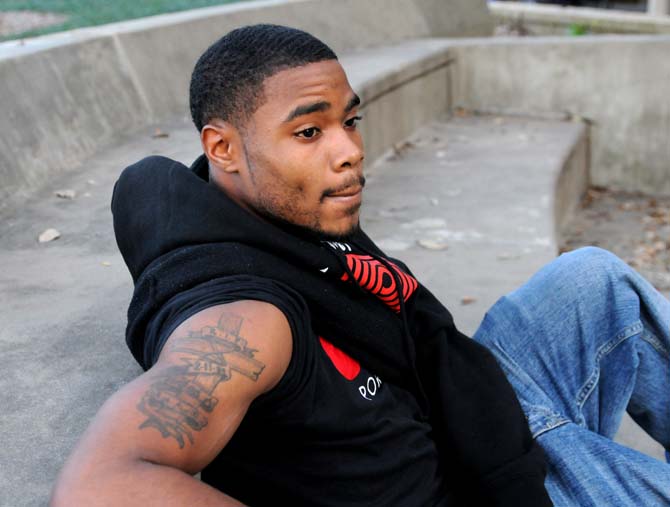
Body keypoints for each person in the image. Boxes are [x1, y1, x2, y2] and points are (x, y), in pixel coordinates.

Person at [50, 24, 670, 507]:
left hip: (463, 415)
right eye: (308, 133)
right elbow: (100, 484)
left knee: (591, 280)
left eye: (348, 120)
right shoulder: (246, 320)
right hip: (478, 486)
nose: (349, 151)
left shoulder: (273, 211)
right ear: (223, 149)